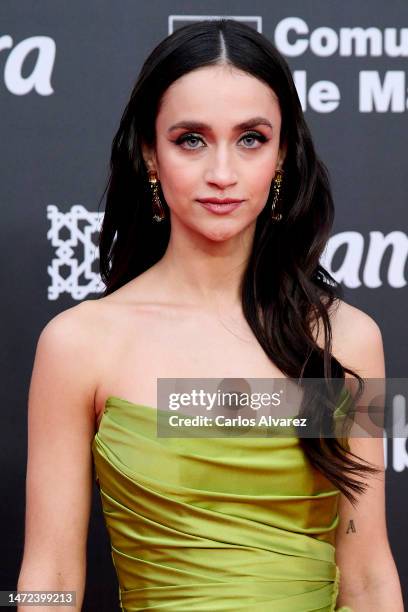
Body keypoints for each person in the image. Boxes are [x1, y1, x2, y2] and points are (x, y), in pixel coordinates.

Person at [17, 18, 403, 612]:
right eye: (190, 139)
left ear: (282, 156)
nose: (222, 173)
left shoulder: (348, 339)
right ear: (150, 153)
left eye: (251, 138)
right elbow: (51, 575)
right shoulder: (80, 344)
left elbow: (369, 573)